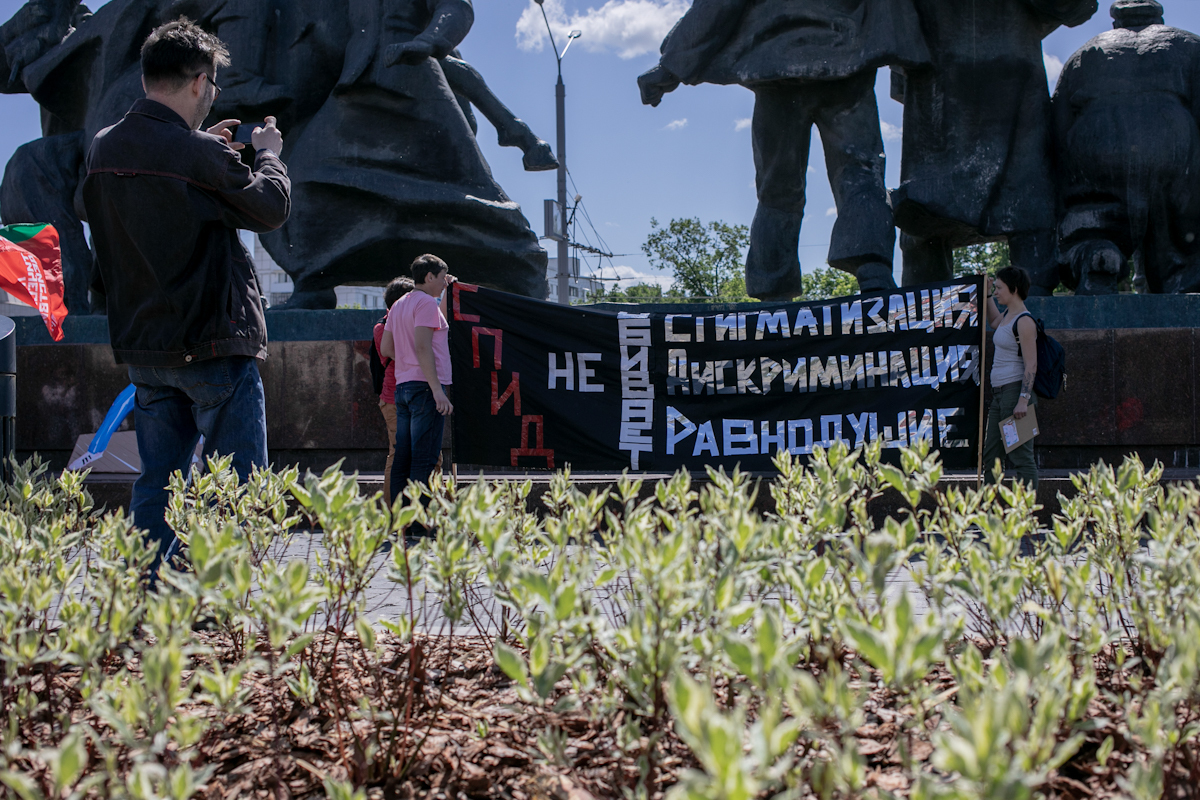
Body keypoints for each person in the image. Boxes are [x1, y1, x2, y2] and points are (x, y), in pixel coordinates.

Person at [82, 17, 290, 577]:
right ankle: (227, 598)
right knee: (238, 487)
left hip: (146, 350)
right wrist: (267, 154)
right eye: (213, 85)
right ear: (200, 82)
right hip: (213, 344)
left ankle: (153, 592)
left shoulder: (103, 147)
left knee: (158, 483)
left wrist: (206, 151)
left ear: (148, 77)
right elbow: (270, 208)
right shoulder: (195, 153)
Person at [637, 0, 930, 299]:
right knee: (860, 174)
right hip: (847, 58)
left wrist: (670, 67)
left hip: (780, 65)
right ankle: (873, 273)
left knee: (778, 191)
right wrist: (905, 67)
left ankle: (773, 292)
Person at [380, 254, 453, 503]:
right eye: (442, 278)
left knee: (403, 457)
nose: (444, 283)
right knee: (424, 458)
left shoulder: (399, 304)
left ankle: (401, 517)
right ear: (429, 277)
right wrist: (437, 390)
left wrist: (408, 361)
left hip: (403, 387)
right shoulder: (426, 303)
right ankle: (420, 520)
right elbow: (423, 346)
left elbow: (386, 348)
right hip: (425, 388)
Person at [981, 267, 1040, 488]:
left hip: (1015, 394)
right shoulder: (1007, 316)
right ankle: (988, 507)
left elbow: (1031, 364)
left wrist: (1023, 400)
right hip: (999, 396)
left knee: (1021, 457)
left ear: (1014, 289)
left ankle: (1026, 508)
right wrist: (987, 293)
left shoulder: (1024, 322)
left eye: (999, 288)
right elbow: (993, 322)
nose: (996, 292)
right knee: (991, 456)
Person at [372, 275, 414, 506]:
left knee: (430, 455)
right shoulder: (383, 327)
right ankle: (392, 510)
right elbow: (406, 356)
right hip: (393, 398)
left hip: (413, 396)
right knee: (398, 454)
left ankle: (428, 511)